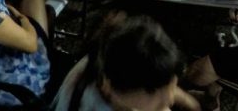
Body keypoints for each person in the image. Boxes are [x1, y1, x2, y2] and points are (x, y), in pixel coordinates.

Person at [53, 12, 199, 111]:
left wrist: (191, 103)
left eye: (170, 85)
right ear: (108, 87)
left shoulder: (104, 57)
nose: (169, 99)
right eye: (153, 91)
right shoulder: (90, 104)